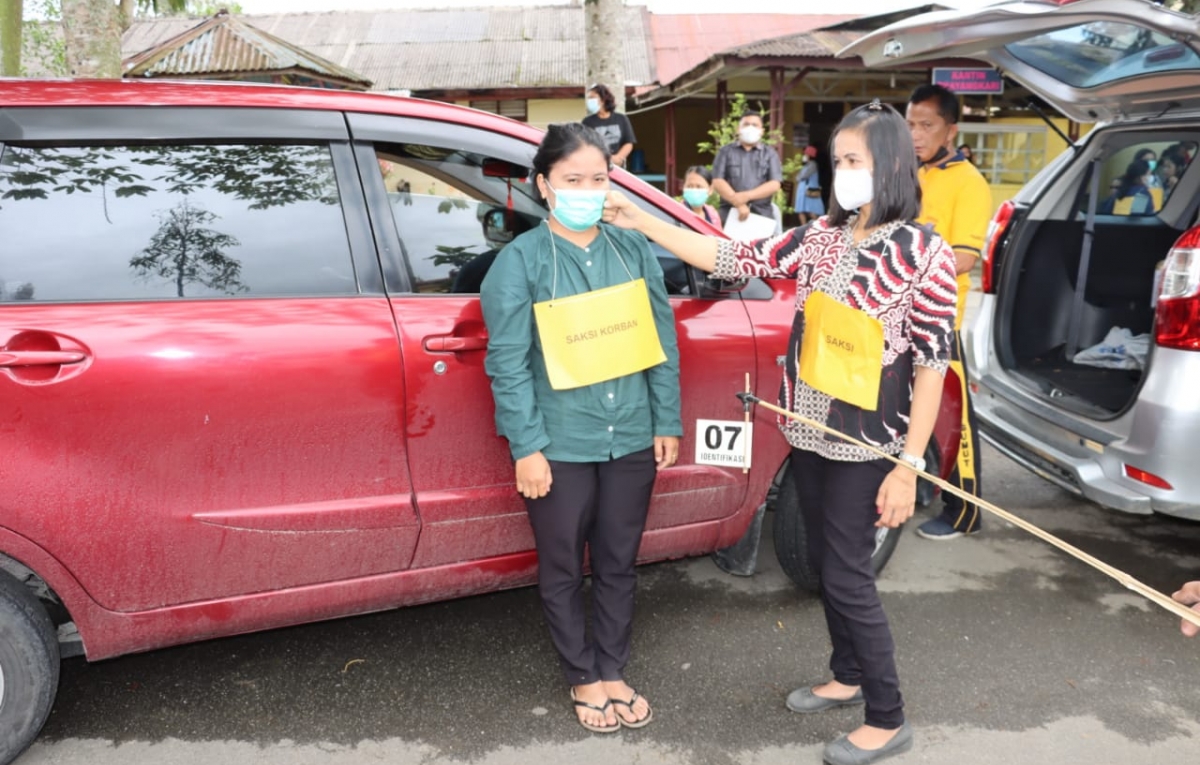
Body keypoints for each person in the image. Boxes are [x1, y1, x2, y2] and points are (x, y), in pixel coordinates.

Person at [603, 100, 957, 765]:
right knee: (827, 563)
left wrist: (910, 467)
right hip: (810, 431)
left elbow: (934, 365)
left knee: (848, 573)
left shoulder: (925, 253)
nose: (842, 171)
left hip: (870, 443)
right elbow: (732, 254)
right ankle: (847, 673)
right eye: (838, 160)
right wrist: (645, 218)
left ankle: (888, 713)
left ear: (892, 166)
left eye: (855, 160)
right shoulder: (822, 236)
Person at [480, 122, 682, 733]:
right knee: (564, 563)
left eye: (598, 179)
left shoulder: (632, 248)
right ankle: (583, 675)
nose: (587, 191)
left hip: (632, 434)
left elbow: (660, 339)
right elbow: (507, 364)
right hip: (561, 442)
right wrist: (528, 447)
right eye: (572, 180)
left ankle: (614, 666)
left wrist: (665, 417)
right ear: (544, 186)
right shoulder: (519, 262)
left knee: (620, 559)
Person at [906, 83, 992, 542]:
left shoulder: (969, 182)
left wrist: (912, 246)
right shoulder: (910, 172)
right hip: (899, 310)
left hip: (942, 318)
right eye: (911, 125)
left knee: (955, 415)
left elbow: (962, 258)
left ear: (950, 130)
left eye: (927, 125)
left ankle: (965, 512)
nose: (916, 135)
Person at [711, 111, 782, 224]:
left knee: (763, 242)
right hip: (730, 214)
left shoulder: (770, 154)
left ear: (762, 131)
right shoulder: (725, 151)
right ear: (738, 129)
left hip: (762, 215)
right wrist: (738, 203)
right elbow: (717, 181)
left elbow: (774, 184)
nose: (750, 128)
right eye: (746, 124)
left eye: (755, 125)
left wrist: (746, 196)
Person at [582, 84, 636, 168]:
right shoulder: (587, 122)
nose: (589, 101)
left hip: (618, 167)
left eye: (592, 97)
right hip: (597, 166)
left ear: (603, 100)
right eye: (589, 98)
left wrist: (618, 158)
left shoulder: (621, 119)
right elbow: (585, 146)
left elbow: (628, 143)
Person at [794, 144, 824, 224]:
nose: (804, 156)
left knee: (811, 211)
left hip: (809, 190)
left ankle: (817, 227)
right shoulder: (806, 165)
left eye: (805, 154)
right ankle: (804, 229)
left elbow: (802, 176)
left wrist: (798, 177)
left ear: (809, 155)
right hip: (803, 190)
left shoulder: (812, 165)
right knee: (801, 210)